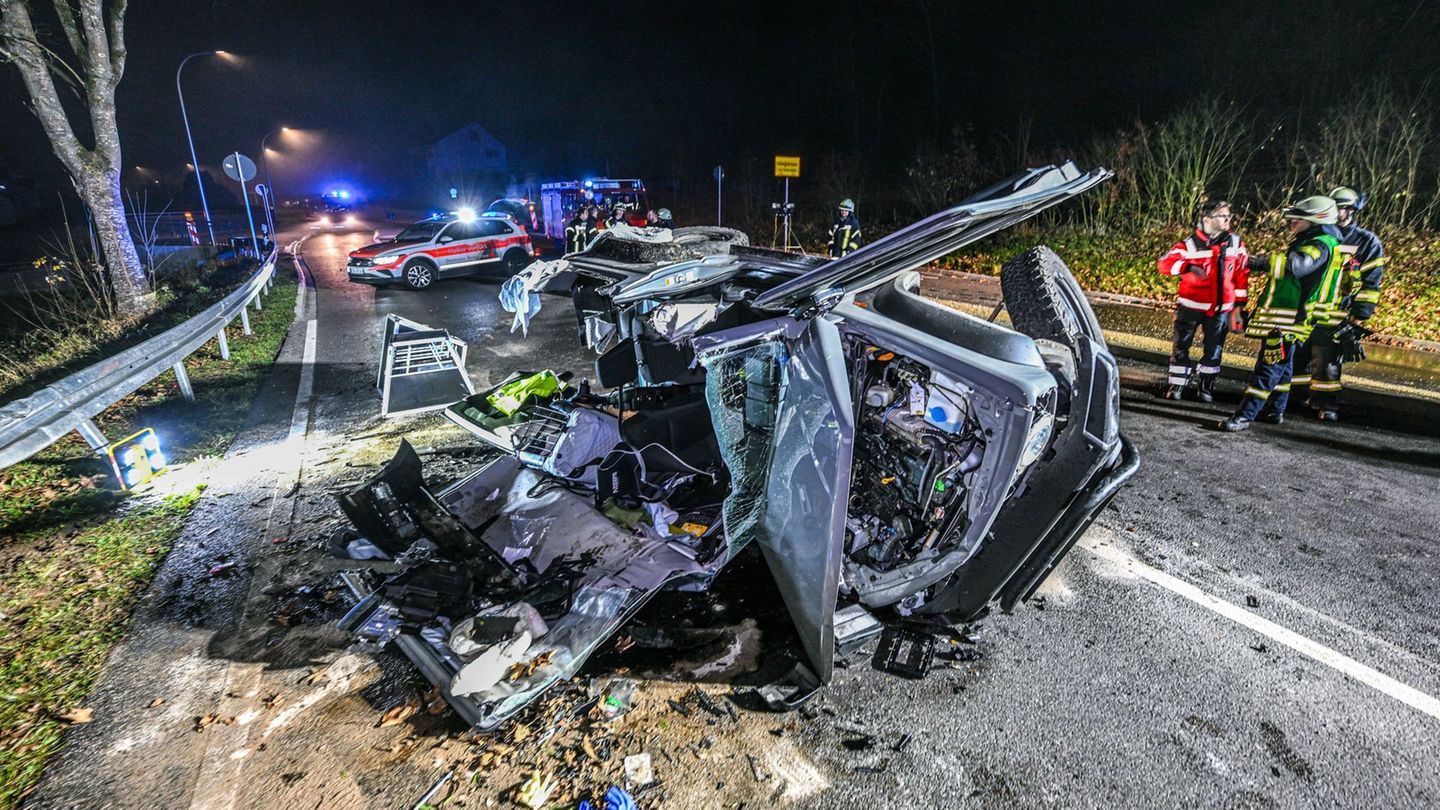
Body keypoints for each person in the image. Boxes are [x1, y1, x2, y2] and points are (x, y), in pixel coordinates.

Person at [1219, 196, 1346, 432]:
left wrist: (1254, 263)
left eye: (1298, 217)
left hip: (1288, 320)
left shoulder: (1320, 244)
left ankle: (1244, 416)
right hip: (1291, 319)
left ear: (1316, 220)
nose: (1292, 221)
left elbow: (1296, 265)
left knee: (1269, 367)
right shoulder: (1319, 241)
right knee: (1284, 368)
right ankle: (1274, 410)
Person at [1287, 186, 1385, 421]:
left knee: (1327, 360)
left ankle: (1326, 404)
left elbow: (1372, 280)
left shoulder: (1365, 241)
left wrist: (1361, 312)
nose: (1333, 211)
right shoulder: (1315, 235)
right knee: (1297, 356)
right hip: (1306, 308)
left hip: (1336, 310)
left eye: (1338, 207)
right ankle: (1295, 398)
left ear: (1350, 210)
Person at [1155, 200, 1249, 402]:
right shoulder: (1189, 245)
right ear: (1207, 219)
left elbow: (1241, 275)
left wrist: (1239, 306)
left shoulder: (1236, 243)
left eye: (1228, 216)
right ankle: (1177, 386)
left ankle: (1206, 387)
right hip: (1191, 307)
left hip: (1221, 310)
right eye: (1223, 216)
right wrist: (1186, 267)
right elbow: (1163, 264)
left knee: (1214, 350)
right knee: (1181, 347)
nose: (1228, 220)